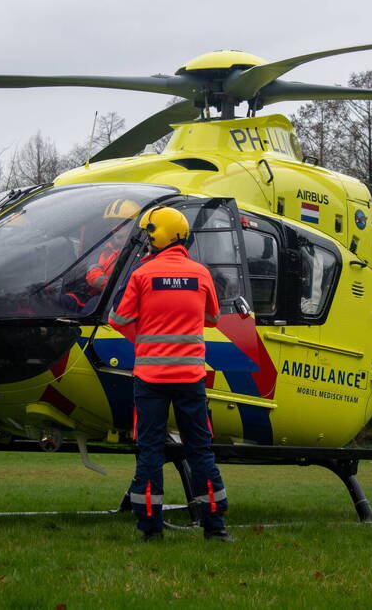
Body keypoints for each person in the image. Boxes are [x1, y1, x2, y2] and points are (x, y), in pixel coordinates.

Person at [108, 205, 232, 543]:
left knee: (150, 452)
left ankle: (150, 529)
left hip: (150, 380)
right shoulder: (200, 273)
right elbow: (213, 319)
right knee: (201, 450)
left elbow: (117, 320)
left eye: (149, 235)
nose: (146, 242)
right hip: (191, 379)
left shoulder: (142, 274)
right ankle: (215, 528)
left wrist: (145, 335)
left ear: (159, 236)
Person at [60, 198, 140, 312]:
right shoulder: (104, 248)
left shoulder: (138, 251)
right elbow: (91, 274)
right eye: (112, 224)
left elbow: (126, 284)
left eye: (122, 224)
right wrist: (107, 282)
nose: (115, 229)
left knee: (92, 307)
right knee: (62, 301)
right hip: (93, 294)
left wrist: (105, 282)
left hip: (115, 299)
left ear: (135, 226)